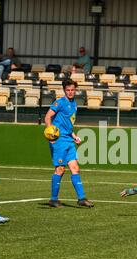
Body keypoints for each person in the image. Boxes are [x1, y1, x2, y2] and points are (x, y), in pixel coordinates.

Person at [44, 79, 94, 208]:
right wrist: (50, 133)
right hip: (59, 140)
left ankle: (81, 198)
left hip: (69, 140)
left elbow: (68, 124)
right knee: (60, 169)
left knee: (75, 168)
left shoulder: (75, 105)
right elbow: (47, 117)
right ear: (64, 90)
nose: (70, 92)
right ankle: (53, 199)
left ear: (75, 90)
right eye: (68, 90)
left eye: (72, 90)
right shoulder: (59, 103)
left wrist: (74, 136)